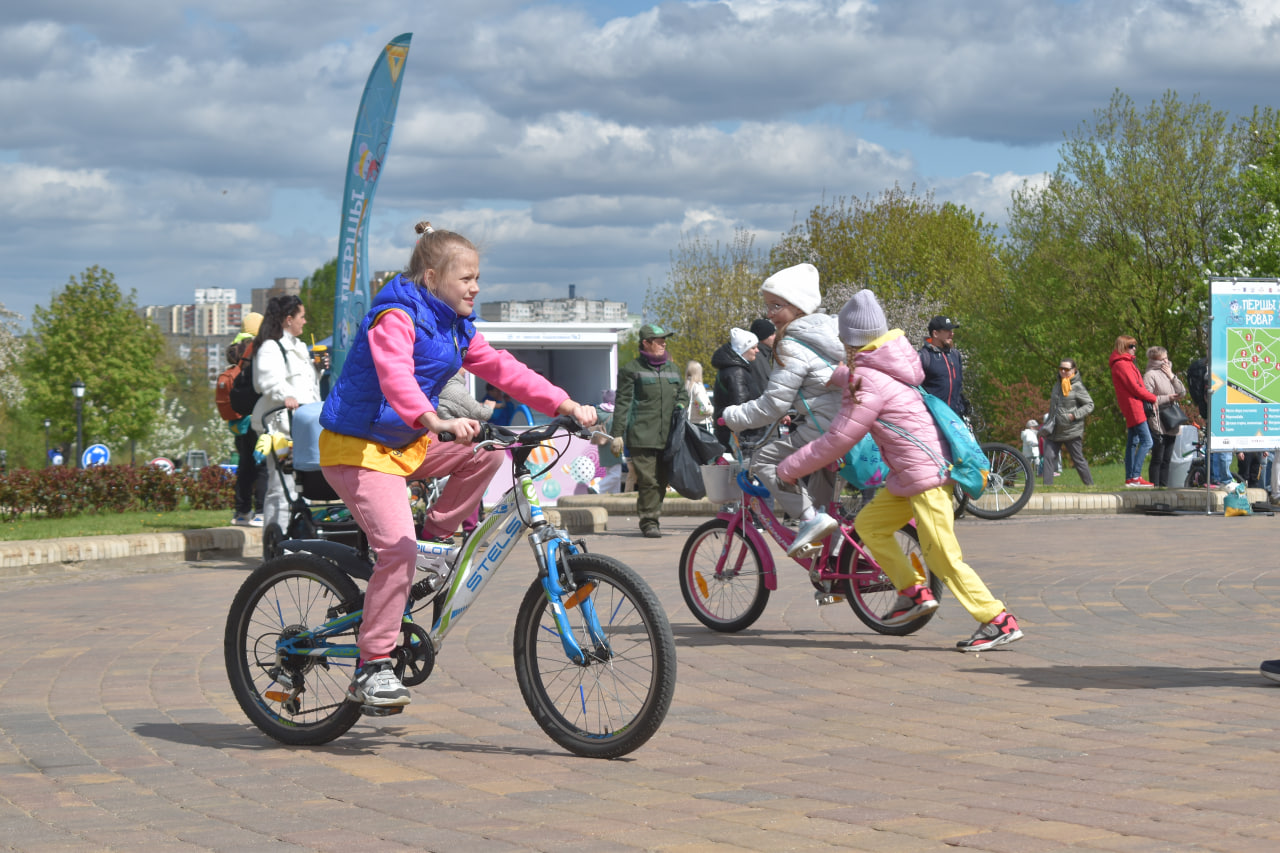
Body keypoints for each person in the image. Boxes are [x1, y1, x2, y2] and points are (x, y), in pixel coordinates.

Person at [319, 221, 596, 708]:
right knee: (398, 551)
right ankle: (373, 666)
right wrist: (432, 419)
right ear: (431, 278)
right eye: (466, 278)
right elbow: (395, 376)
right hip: (357, 449)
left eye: (477, 277)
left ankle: (435, 538)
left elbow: (505, 369)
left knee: (485, 454)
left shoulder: (454, 327)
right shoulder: (396, 317)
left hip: (405, 444)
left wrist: (565, 404)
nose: (476, 287)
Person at [778, 289, 1023, 652]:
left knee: (942, 555)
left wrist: (789, 467)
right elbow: (868, 381)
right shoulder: (884, 365)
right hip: (910, 476)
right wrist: (836, 377)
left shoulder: (867, 379)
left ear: (850, 340)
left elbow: (838, 439)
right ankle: (912, 592)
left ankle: (997, 620)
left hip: (925, 478)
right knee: (870, 526)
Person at [722, 263, 842, 554]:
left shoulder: (792, 345)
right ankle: (835, 563)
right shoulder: (829, 336)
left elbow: (773, 404)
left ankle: (808, 519)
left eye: (776, 306)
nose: (769, 314)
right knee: (824, 501)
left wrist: (732, 416)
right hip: (845, 426)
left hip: (821, 430)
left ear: (798, 307)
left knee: (764, 460)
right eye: (768, 306)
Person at [251, 296, 323, 535]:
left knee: (304, 486)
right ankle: (277, 542)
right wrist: (286, 397)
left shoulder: (300, 347)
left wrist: (318, 370)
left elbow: (308, 386)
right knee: (282, 486)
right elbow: (267, 382)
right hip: (281, 428)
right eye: (301, 316)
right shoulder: (271, 346)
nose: (305, 320)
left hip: (304, 427)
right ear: (288, 319)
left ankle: (300, 537)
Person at [609, 323, 688, 538]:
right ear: (646, 343)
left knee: (662, 480)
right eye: (659, 340)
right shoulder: (631, 370)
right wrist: (617, 434)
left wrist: (681, 405)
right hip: (641, 435)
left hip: (668, 436)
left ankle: (653, 516)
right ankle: (649, 522)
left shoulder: (673, 369)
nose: (664, 343)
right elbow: (623, 403)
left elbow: (682, 394)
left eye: (665, 340)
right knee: (648, 480)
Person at [434, 369, 495, 536]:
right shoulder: (453, 386)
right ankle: (470, 528)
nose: (466, 368)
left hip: (434, 443)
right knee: (473, 474)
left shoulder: (436, 381)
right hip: (448, 444)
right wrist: (490, 406)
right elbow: (481, 414)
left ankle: (437, 531)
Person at [229, 311, 266, 527]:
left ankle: (241, 512)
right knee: (261, 464)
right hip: (258, 414)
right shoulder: (259, 346)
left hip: (239, 418)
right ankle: (261, 511)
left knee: (245, 465)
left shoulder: (236, 346)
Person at [1109, 335, 1160, 488]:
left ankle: (1130, 477)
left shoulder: (1125, 363)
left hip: (1133, 406)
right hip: (1134, 407)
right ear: (1123, 347)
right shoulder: (1122, 365)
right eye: (1131, 346)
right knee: (1147, 441)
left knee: (1133, 441)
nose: (1134, 348)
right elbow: (1135, 387)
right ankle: (1136, 476)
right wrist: (1152, 398)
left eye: (1134, 345)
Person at [1042, 358, 1095, 487]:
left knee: (1078, 460)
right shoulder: (1057, 385)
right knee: (1048, 457)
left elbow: (1089, 405)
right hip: (1055, 429)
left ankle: (1090, 486)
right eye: (1061, 369)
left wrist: (1074, 415)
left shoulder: (1077, 387)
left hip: (1071, 430)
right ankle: (1047, 488)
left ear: (1074, 370)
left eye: (1066, 369)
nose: (1063, 371)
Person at [711, 327, 763, 450]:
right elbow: (741, 407)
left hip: (735, 433)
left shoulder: (735, 369)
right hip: (743, 437)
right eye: (753, 347)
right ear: (743, 349)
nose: (757, 351)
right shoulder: (736, 372)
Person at [1141, 346, 1185, 488]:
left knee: (1167, 458)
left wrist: (1172, 376)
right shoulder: (1150, 375)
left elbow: (1182, 392)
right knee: (1158, 457)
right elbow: (1147, 398)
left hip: (1172, 419)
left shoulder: (1169, 372)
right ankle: (1156, 486)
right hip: (1158, 418)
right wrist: (1167, 398)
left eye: (1167, 358)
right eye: (1162, 359)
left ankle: (1164, 487)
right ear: (1155, 360)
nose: (1166, 361)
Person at [919, 315, 968, 416]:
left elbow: (958, 388)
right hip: (933, 421)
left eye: (952, 331)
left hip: (955, 420)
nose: (952, 334)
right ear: (935, 333)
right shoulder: (923, 357)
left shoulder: (955, 355)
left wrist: (963, 408)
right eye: (947, 331)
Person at [748, 317, 776, 392]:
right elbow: (763, 388)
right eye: (772, 334)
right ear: (763, 337)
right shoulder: (756, 358)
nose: (775, 337)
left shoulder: (764, 356)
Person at [684, 361, 714, 429]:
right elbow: (702, 409)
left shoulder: (685, 386)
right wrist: (712, 409)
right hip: (700, 424)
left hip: (688, 422)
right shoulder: (697, 387)